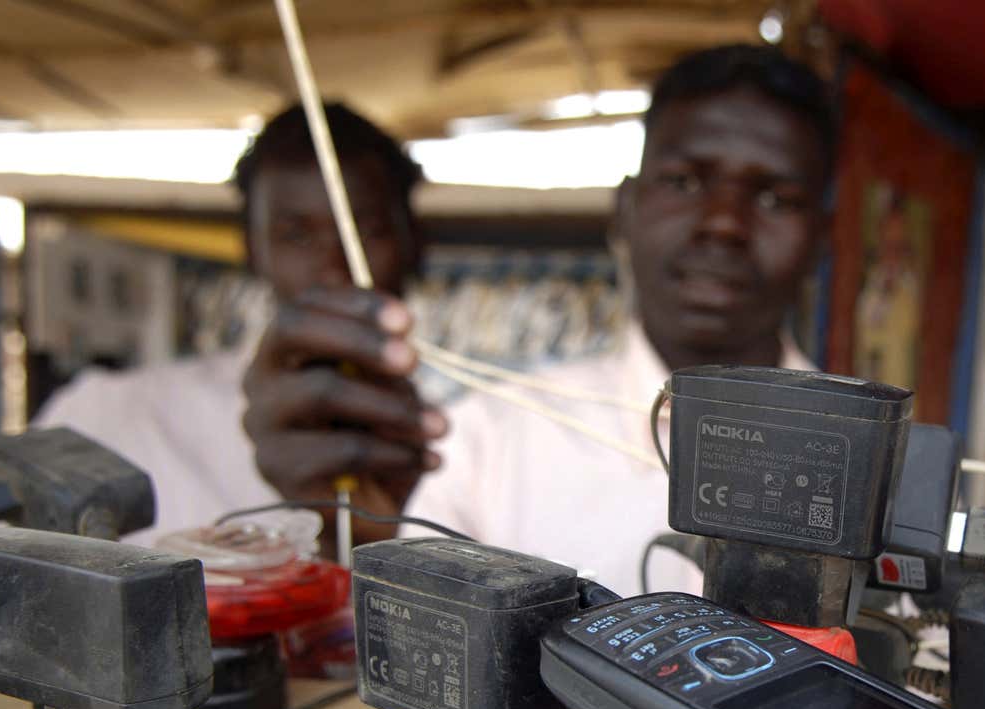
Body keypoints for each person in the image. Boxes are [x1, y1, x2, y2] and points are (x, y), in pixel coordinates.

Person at [242, 45, 836, 593]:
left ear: (822, 242)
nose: (724, 224)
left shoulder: (882, 474)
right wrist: (356, 536)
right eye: (684, 182)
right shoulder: (483, 446)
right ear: (624, 209)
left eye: (774, 199)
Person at [33, 103, 426, 542]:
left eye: (364, 232)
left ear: (412, 242)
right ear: (252, 250)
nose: (333, 270)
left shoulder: (470, 443)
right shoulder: (108, 419)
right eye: (295, 235)